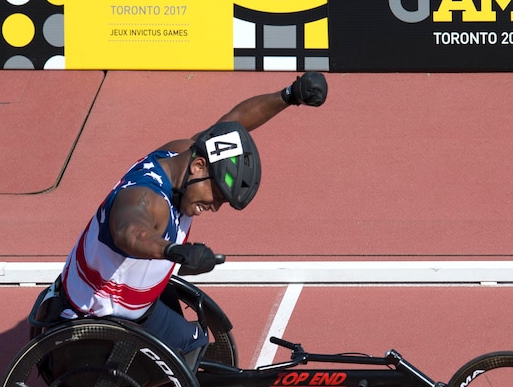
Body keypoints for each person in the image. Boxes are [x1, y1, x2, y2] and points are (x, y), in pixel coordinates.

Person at [42, 72, 328, 367]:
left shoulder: (185, 153)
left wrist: (290, 95)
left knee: (193, 338)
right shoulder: (147, 198)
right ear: (199, 167)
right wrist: (174, 251)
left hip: (122, 299)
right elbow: (128, 231)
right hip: (94, 320)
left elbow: (234, 123)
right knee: (192, 345)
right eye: (216, 195)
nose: (215, 206)